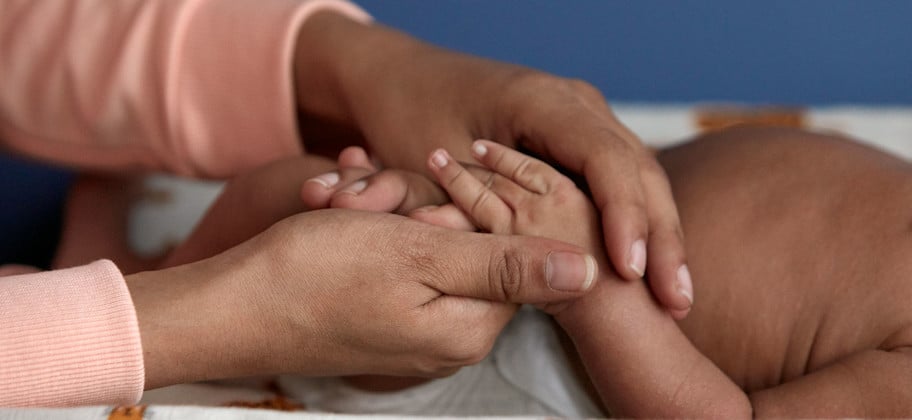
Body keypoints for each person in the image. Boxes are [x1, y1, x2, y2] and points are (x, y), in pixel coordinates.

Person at [0, 0, 691, 407]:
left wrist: (360, 67)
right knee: (305, 205)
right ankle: (140, 289)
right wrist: (209, 316)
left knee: (306, 199)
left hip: (565, 378)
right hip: (568, 301)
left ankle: (135, 278)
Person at [417, 126, 912, 417]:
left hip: (579, 347)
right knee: (384, 196)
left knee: (377, 322)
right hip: (591, 202)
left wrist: (590, 292)